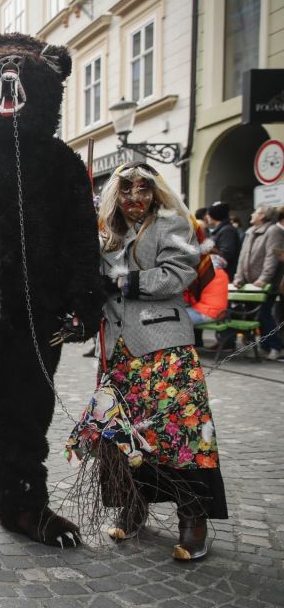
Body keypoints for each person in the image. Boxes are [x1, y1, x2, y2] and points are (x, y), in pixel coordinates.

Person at [66, 161, 227, 561]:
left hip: (164, 346)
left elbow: (178, 273)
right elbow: (94, 283)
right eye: (126, 189)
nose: (135, 197)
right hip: (118, 351)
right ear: (114, 194)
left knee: (181, 433)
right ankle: (132, 504)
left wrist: (124, 281)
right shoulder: (106, 233)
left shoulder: (171, 223)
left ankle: (194, 519)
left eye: (143, 189)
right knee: (125, 434)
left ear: (156, 191)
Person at [233, 206, 284, 360]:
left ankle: (275, 346)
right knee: (256, 315)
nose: (252, 213)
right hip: (250, 284)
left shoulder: (272, 231)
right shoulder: (250, 231)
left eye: (255, 212)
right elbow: (242, 258)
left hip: (265, 285)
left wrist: (264, 278)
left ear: (262, 216)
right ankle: (265, 345)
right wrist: (238, 277)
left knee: (264, 314)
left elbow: (271, 257)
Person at [207, 201, 240, 279]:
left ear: (215, 215)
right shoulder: (219, 230)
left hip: (224, 274)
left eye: (209, 214)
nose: (207, 216)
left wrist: (207, 248)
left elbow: (226, 254)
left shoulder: (227, 231)